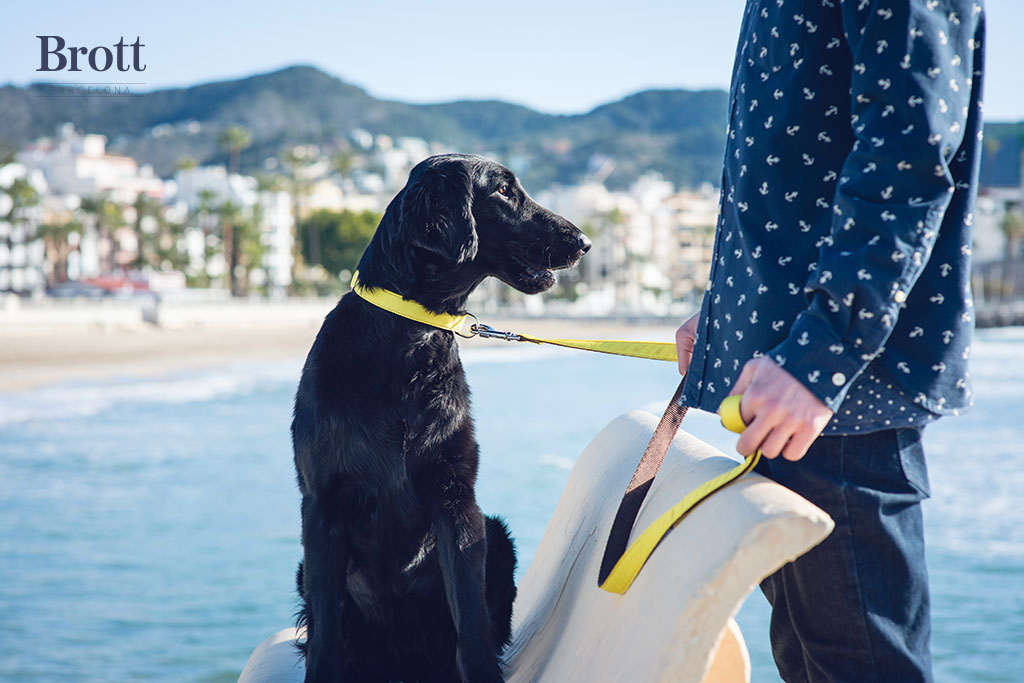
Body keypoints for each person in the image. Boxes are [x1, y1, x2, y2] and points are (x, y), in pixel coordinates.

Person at [675, 1, 986, 681]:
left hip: (836, 391)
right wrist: (727, 309)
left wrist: (821, 358)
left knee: (857, 667)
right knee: (812, 660)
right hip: (788, 372)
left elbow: (908, 143)